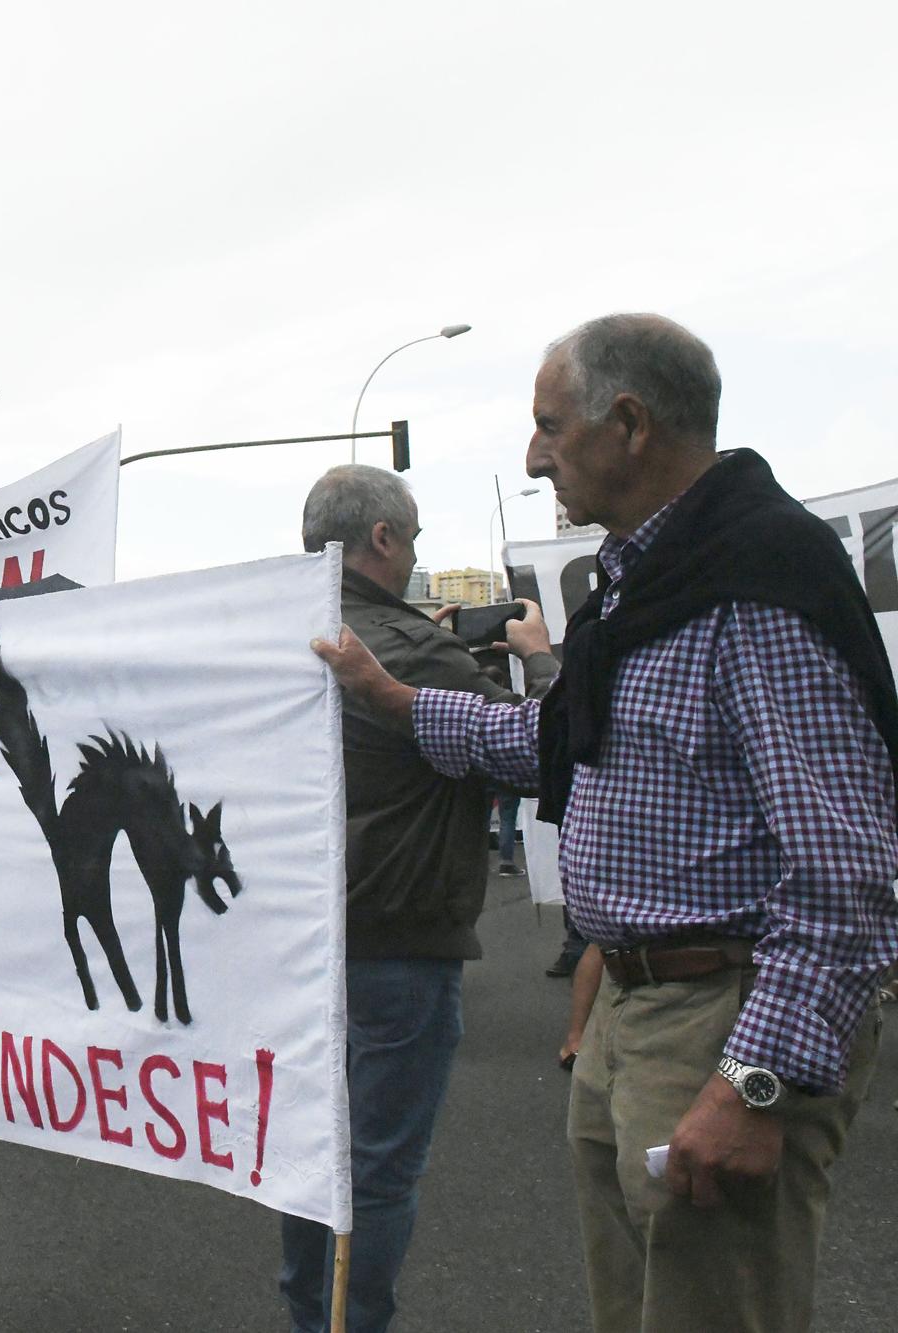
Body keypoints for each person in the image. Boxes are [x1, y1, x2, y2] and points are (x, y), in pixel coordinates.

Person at [314, 314, 898, 1333]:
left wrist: (755, 1079)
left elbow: (844, 866)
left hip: (719, 1011)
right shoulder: (646, 581)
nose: (533, 453)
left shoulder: (753, 583)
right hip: (634, 1012)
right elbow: (561, 741)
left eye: (548, 425)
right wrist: (396, 700)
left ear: (626, 423)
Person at [278, 465, 558, 1333]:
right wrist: (540, 657)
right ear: (385, 539)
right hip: (399, 942)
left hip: (293, 944)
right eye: (417, 537)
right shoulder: (421, 654)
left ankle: (307, 1315)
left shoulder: (276, 633)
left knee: (308, 1158)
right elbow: (545, 753)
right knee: (380, 1170)